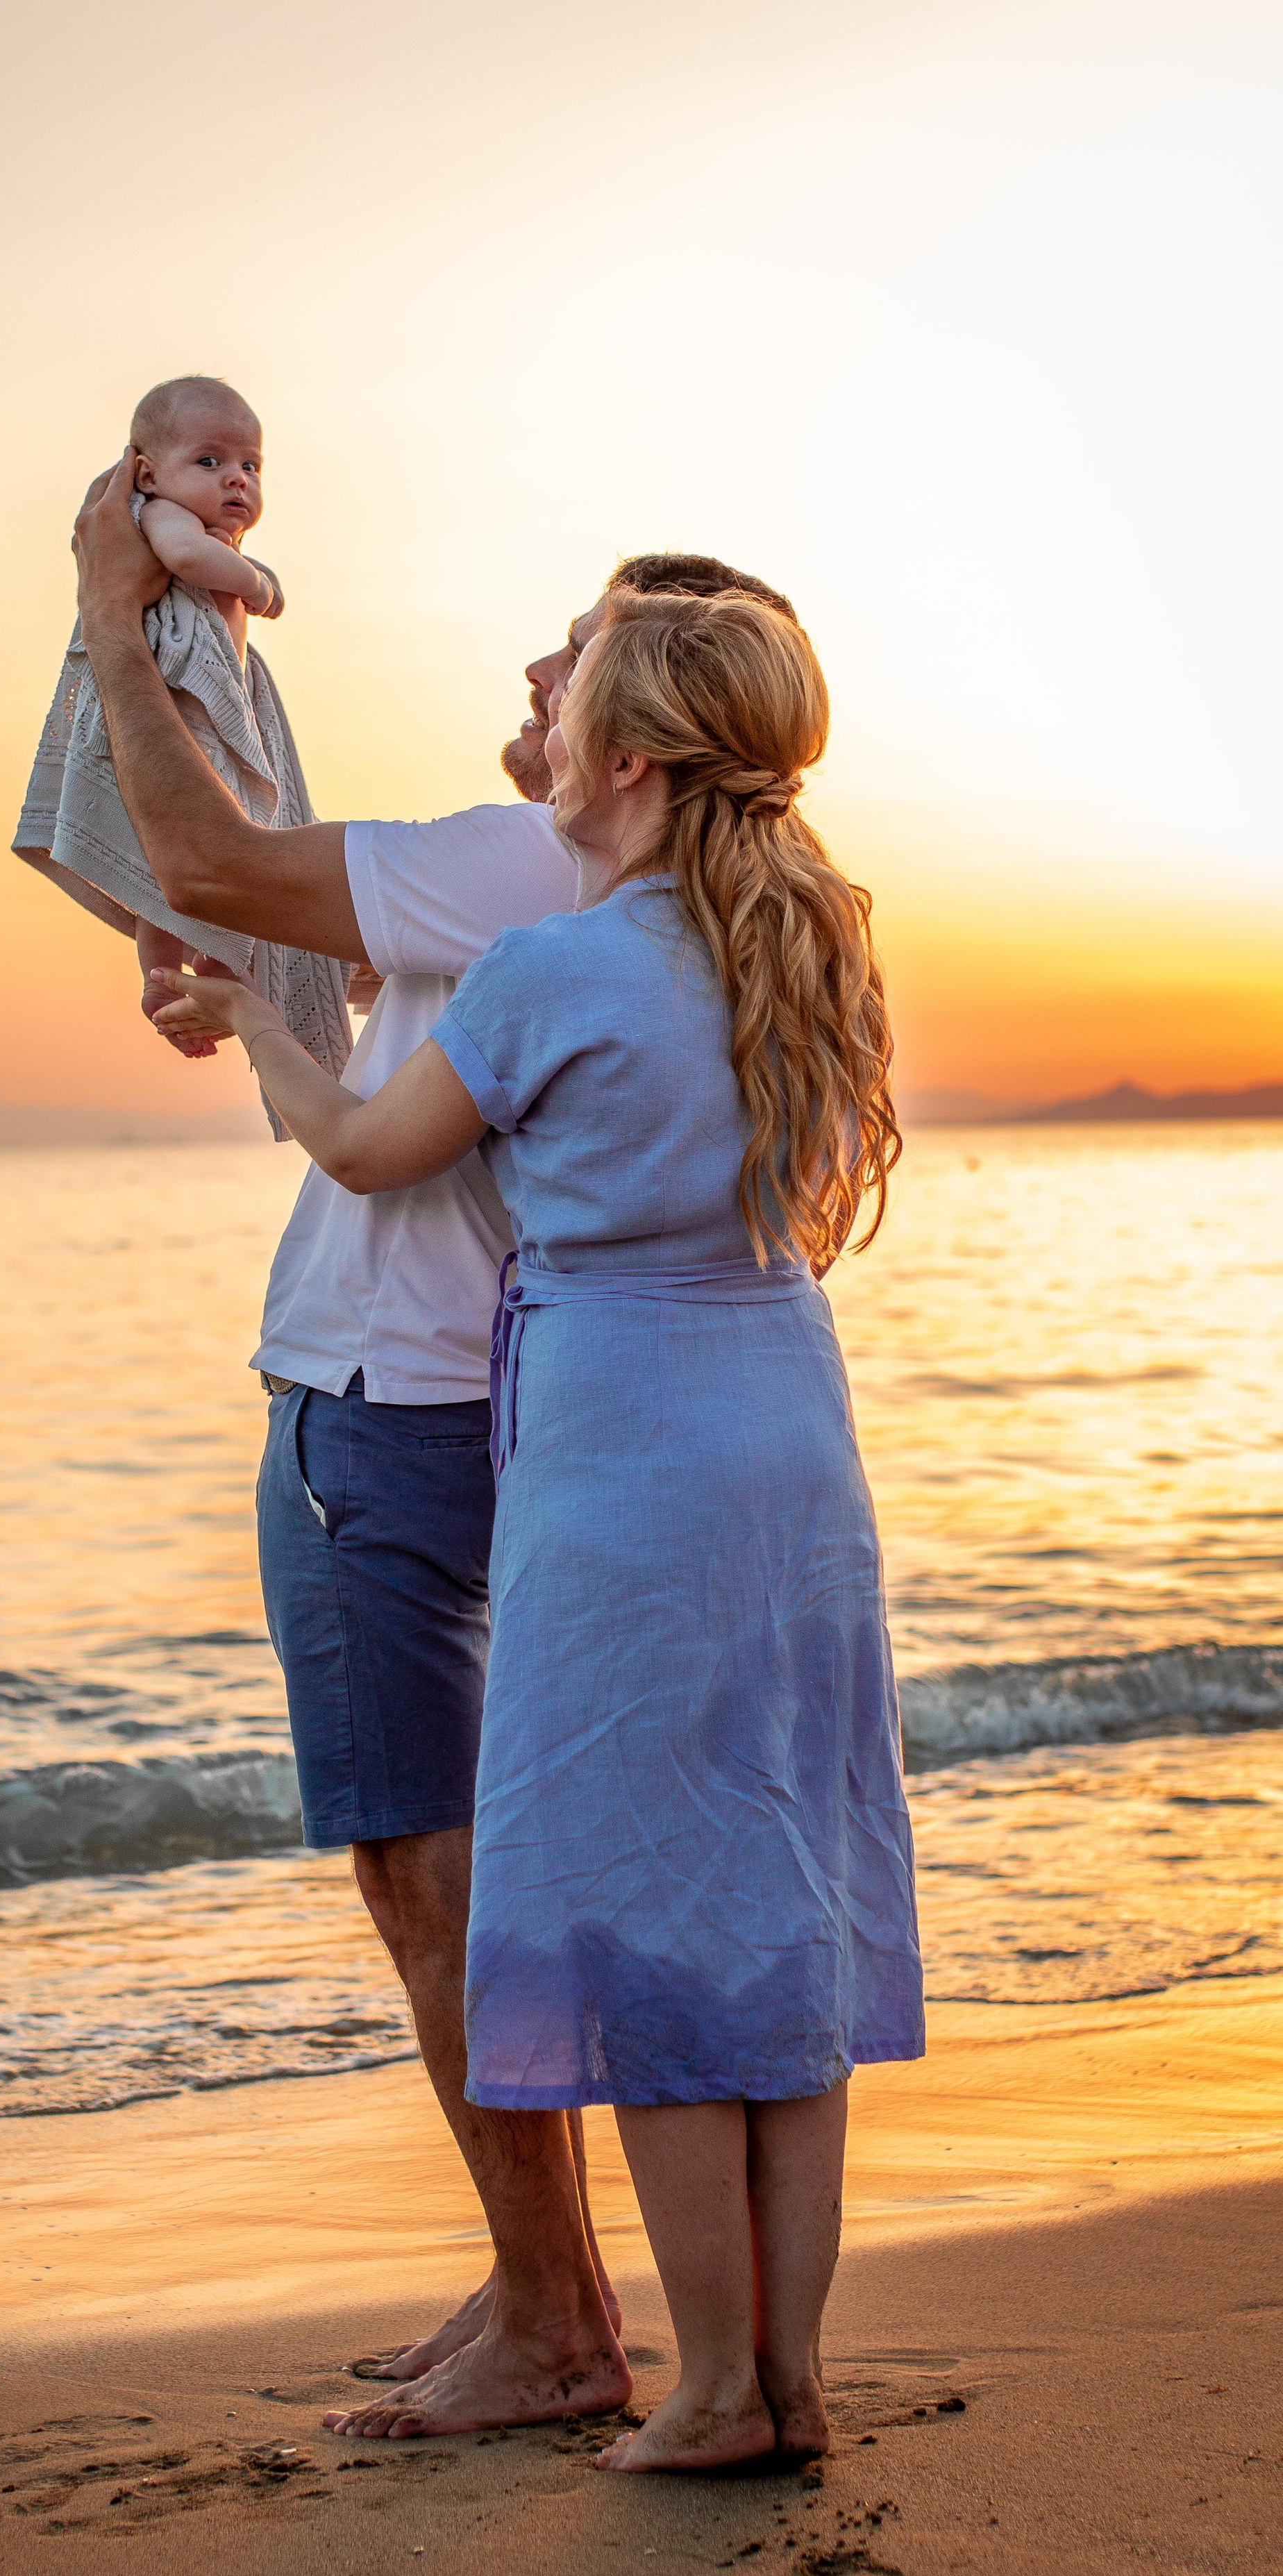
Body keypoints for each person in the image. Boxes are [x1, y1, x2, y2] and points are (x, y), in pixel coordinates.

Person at [151, 586, 925, 2463]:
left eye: (572, 703)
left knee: (642, 1910)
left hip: (625, 1446)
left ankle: (715, 2389)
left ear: (628, 755)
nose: (544, 724)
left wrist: (257, 1023)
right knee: (775, 1901)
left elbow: (367, 1149)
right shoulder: (815, 945)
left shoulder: (550, 968)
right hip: (790, 1434)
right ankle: (788, 2379)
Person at [14, 383, 352, 1123]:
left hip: (196, 718)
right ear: (146, 472)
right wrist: (257, 583)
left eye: (250, 466)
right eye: (209, 461)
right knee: (172, 868)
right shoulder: (164, 519)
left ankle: (200, 976)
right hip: (175, 711)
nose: (237, 479)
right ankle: (169, 974)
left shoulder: (206, 526)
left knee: (196, 872)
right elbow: (186, 558)